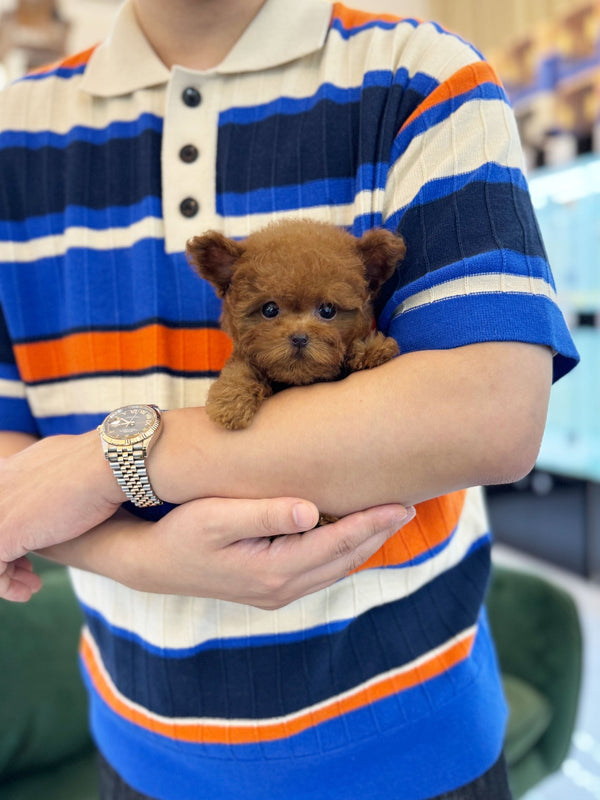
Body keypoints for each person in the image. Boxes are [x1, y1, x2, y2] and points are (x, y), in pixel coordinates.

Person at [0, 1, 578, 798]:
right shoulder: (12, 134)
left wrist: (112, 460)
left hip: (416, 746)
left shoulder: (421, 77)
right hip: (137, 744)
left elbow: (492, 415)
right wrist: (139, 557)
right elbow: (15, 480)